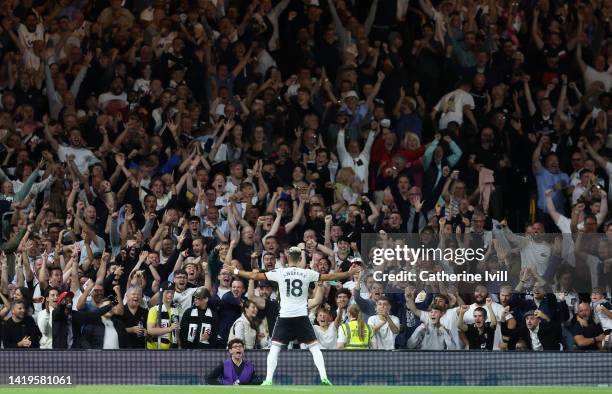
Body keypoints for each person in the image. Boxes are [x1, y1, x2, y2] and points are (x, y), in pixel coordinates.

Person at [227, 246, 360, 386]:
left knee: (274, 349)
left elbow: (254, 276)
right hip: (302, 316)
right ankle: (324, 377)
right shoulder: (307, 273)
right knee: (314, 348)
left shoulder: (280, 272)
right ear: (300, 259)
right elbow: (331, 276)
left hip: (285, 317)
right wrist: (348, 273)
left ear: (287, 257)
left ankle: (268, 379)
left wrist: (235, 271)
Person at [146, 282, 180, 349]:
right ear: (162, 293)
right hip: (155, 349)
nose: (170, 295)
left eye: (172, 292)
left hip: (171, 349)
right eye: (167, 292)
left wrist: (179, 344)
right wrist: (170, 329)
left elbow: (176, 331)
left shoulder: (175, 310)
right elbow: (150, 330)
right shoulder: (154, 309)